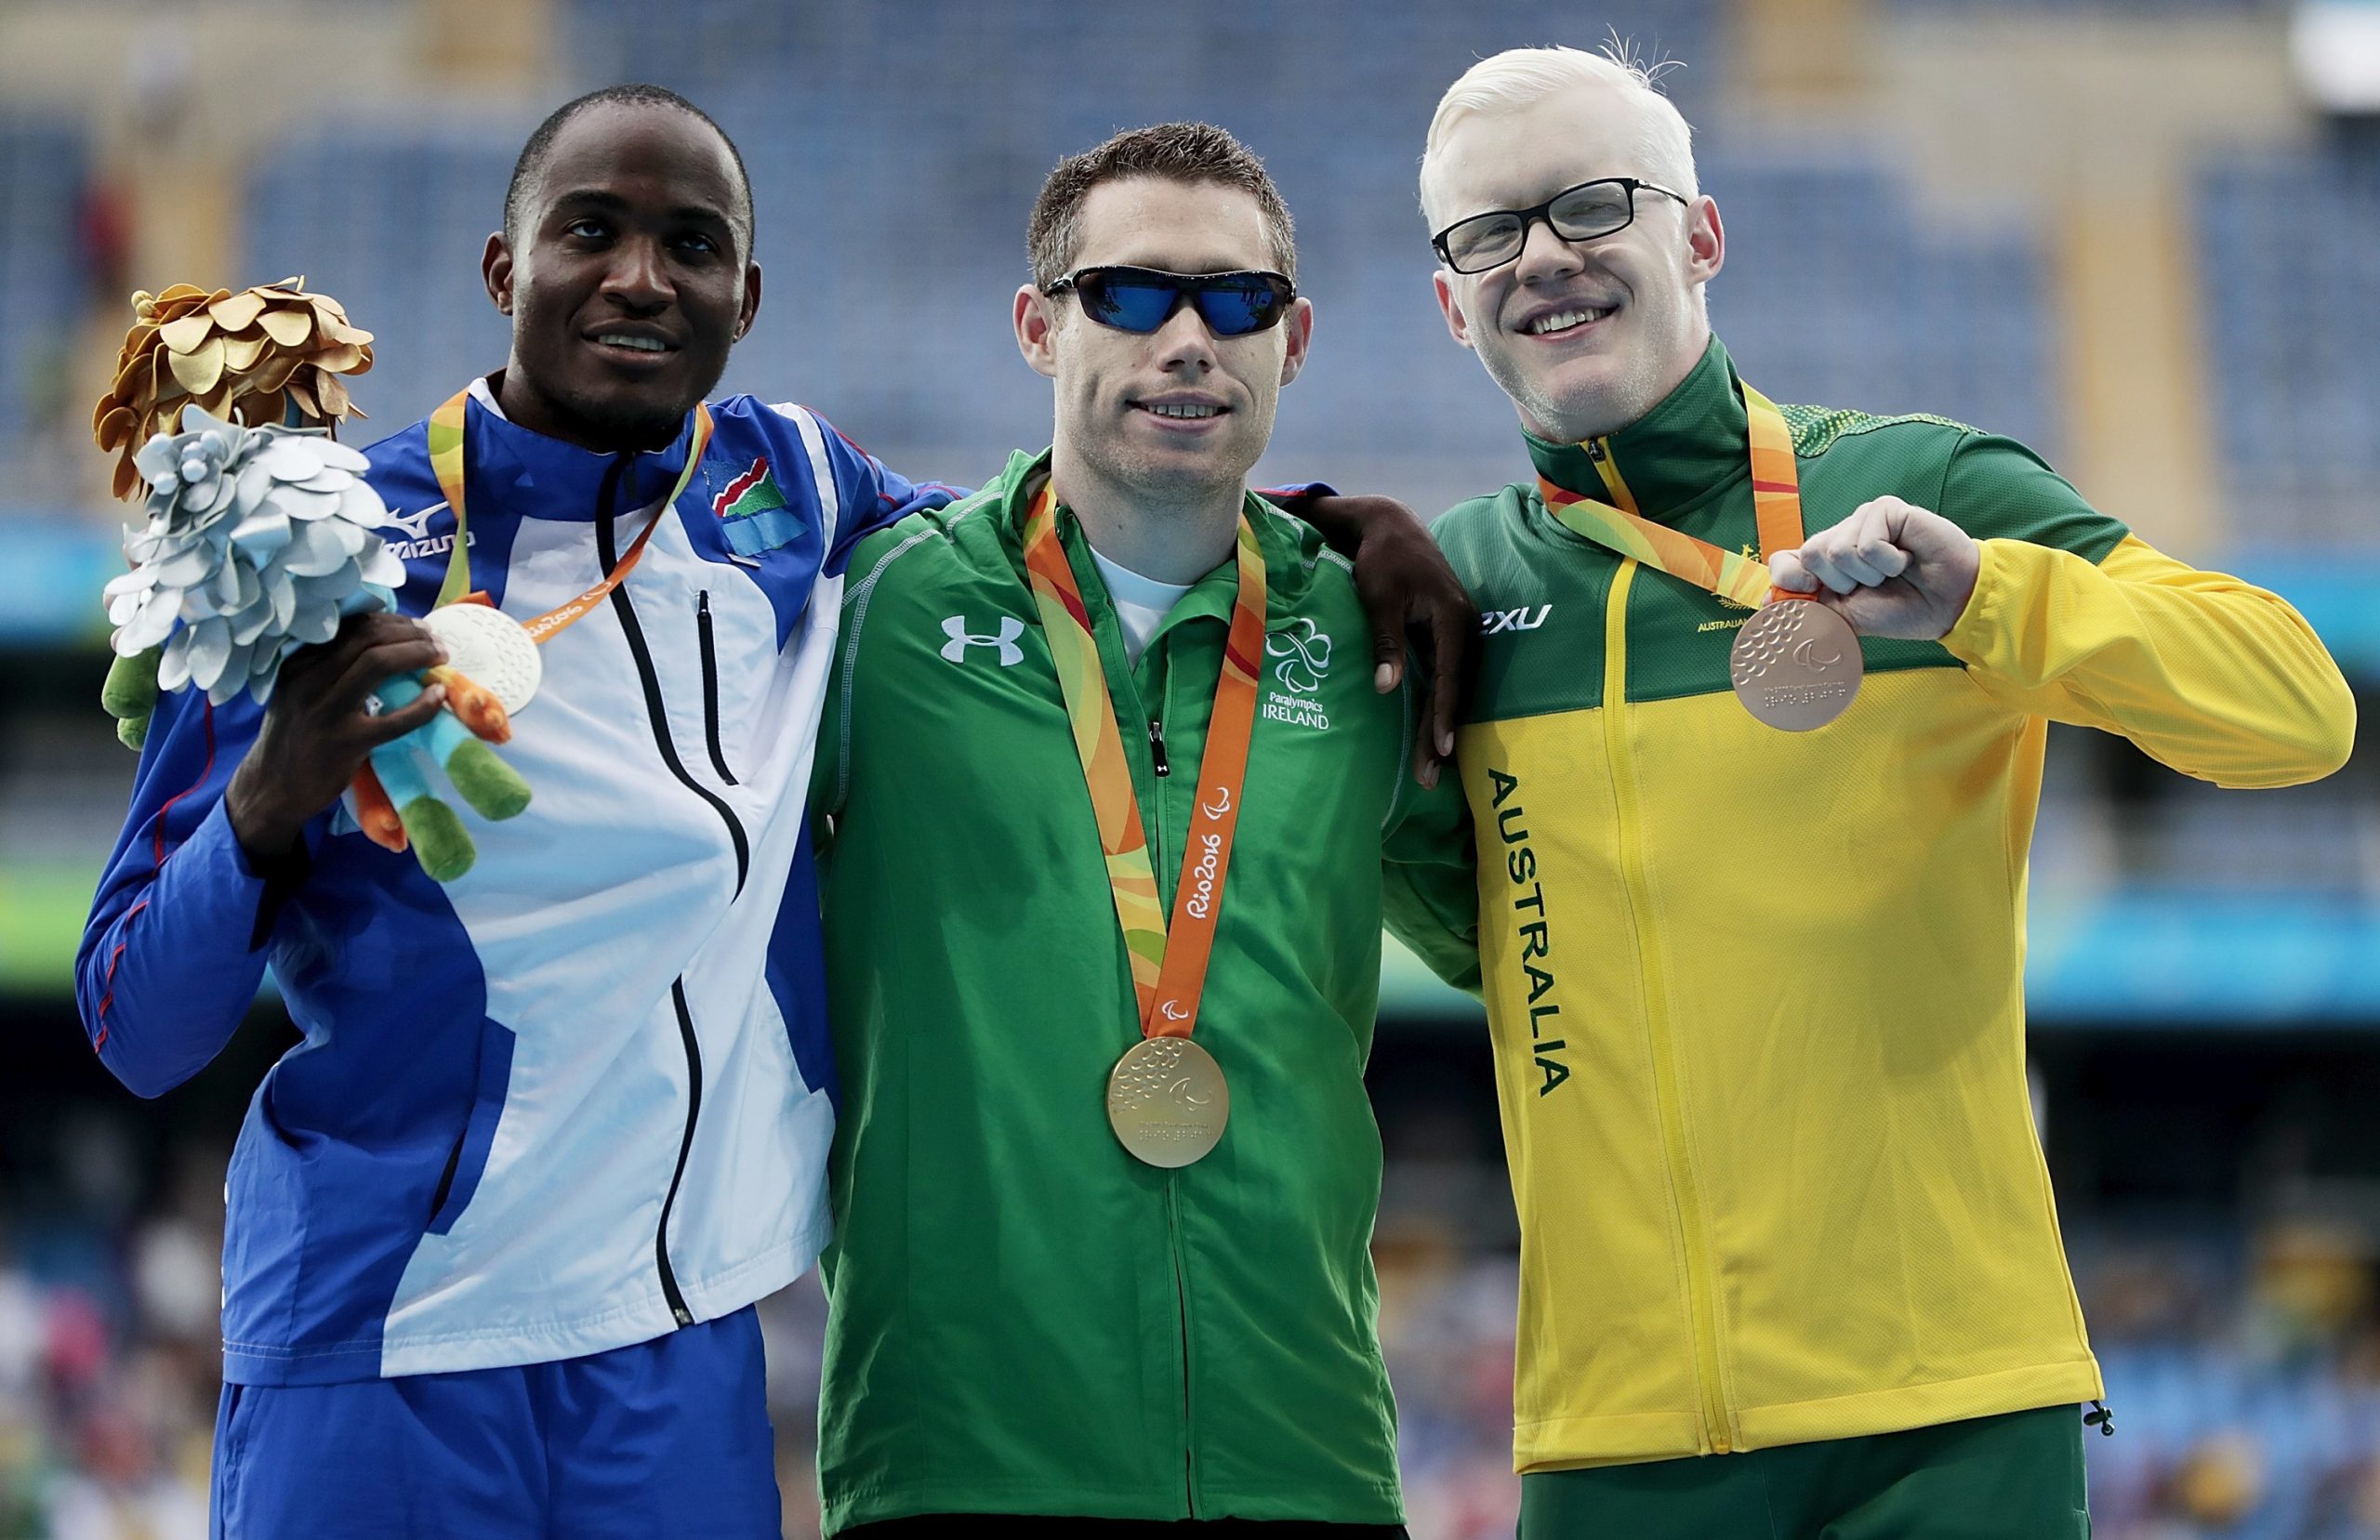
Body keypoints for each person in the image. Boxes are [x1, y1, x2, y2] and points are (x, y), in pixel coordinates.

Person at [74, 86, 1463, 1539]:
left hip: (677, 1356)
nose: (638, 276)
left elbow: (1077, 537)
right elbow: (139, 1022)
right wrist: (261, 800)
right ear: (503, 270)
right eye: (589, 232)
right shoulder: (324, 557)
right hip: (388, 1341)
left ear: (747, 295)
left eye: (690, 244)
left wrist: (1327, 521)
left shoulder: (788, 488)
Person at [1392, 44, 2358, 1539]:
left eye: (1591, 204)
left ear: (1700, 235)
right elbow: (1511, 958)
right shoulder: (1458, 591)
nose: (1543, 258)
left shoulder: (1925, 491)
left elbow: (2293, 707)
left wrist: (1987, 597)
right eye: (1488, 233)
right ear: (1450, 300)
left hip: (1953, 1416)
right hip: (1620, 1435)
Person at [809, 122, 1475, 1536]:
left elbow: (1508, 933)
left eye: (1234, 302)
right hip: (960, 1460)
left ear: (1291, 338)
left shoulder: (1375, 636)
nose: (1188, 337)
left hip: (1306, 1461)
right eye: (1129, 292)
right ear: (1036, 327)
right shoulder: (874, 615)